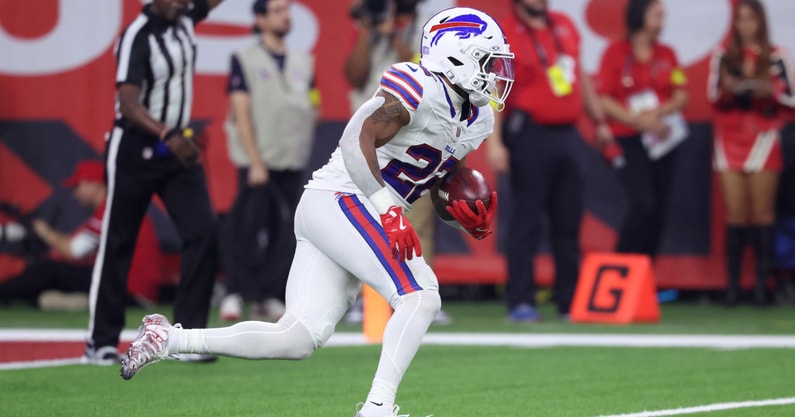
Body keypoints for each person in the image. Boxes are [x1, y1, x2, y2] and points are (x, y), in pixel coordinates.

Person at [120, 7, 511, 417]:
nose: (496, 72)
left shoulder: (478, 118)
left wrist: (462, 213)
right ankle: (378, 408)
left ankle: (168, 339)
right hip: (341, 198)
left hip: (349, 210)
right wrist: (388, 211)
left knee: (296, 338)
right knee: (421, 295)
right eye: (488, 60)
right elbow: (352, 142)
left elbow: (432, 184)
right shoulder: (420, 87)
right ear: (455, 55)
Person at [84, 0, 225, 365]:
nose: (183, 2)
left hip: (177, 148)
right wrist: (166, 133)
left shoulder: (184, 19)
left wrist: (174, 137)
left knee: (203, 233)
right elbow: (127, 102)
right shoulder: (137, 35)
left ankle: (187, 338)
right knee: (118, 241)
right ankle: (100, 340)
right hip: (136, 146)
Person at [488, 0, 613, 322]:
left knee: (569, 221)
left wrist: (598, 119)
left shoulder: (564, 25)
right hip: (529, 133)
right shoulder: (506, 33)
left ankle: (569, 302)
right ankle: (520, 301)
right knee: (526, 221)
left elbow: (580, 73)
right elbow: (496, 88)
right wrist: (495, 140)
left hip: (568, 133)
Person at [343, 0, 452, 326]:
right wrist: (371, 31)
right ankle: (366, 302)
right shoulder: (368, 34)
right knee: (365, 221)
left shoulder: (425, 35)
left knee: (418, 223)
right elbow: (354, 75)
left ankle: (421, 296)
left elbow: (423, 76)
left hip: (413, 140)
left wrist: (394, 37)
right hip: (370, 139)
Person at [218, 0, 319, 323]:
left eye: (287, 10)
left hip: (291, 157)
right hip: (259, 159)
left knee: (287, 231)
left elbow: (314, 102)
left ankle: (270, 295)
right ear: (260, 19)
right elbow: (241, 112)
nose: (285, 16)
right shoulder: (245, 59)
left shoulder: (304, 61)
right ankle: (235, 291)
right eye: (277, 10)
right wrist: (255, 160)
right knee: (246, 226)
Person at [707, 0, 795, 307]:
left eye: (752, 19)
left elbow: (791, 98)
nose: (746, 25)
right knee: (735, 213)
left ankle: (762, 287)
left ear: (761, 22)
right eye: (741, 19)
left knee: (763, 213)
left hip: (763, 134)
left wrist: (769, 91)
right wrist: (731, 88)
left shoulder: (777, 56)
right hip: (730, 135)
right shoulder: (723, 56)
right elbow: (712, 96)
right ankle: (732, 288)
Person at [0, 160, 161, 310]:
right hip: (128, 288)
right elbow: (72, 246)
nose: (75, 194)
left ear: (94, 184)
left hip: (129, 290)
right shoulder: (115, 209)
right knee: (50, 273)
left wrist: (43, 231)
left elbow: (73, 251)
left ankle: (5, 292)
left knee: (48, 270)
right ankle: (57, 300)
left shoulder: (110, 211)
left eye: (78, 186)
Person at [595, 0, 689, 258]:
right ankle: (621, 264)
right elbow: (603, 97)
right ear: (640, 15)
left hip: (663, 139)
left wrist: (656, 114)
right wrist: (636, 120)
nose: (661, 21)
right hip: (628, 139)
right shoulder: (615, 52)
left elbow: (681, 95)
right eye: (657, 15)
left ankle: (646, 272)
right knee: (643, 203)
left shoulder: (667, 53)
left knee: (660, 209)